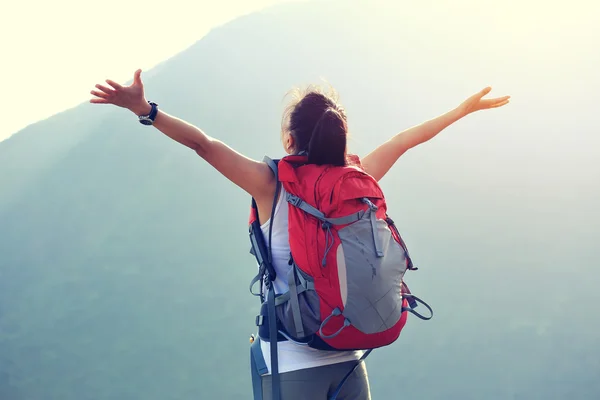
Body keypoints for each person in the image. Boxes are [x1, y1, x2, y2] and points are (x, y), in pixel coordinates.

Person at [90, 69, 510, 399]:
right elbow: (402, 141)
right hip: (349, 358)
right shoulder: (354, 181)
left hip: (291, 362)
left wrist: (145, 109)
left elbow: (202, 143)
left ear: (290, 140)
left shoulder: (270, 184)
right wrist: (460, 112)